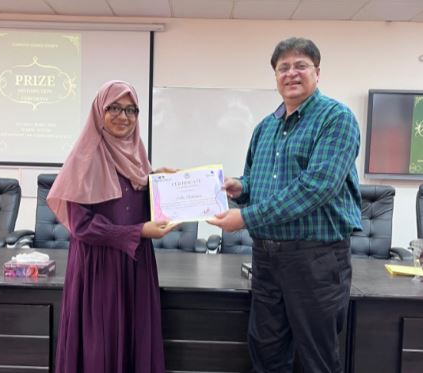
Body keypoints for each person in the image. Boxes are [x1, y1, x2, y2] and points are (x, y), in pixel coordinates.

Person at [209, 37, 362, 373]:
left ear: (317, 73)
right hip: (266, 258)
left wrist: (245, 217)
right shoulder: (266, 127)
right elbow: (256, 182)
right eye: (283, 67)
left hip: (315, 259)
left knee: (315, 357)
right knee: (266, 350)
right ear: (275, 76)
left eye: (301, 65)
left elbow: (316, 188)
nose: (291, 73)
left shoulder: (336, 119)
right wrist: (241, 189)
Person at [48, 80, 177, 373]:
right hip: (99, 269)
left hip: (136, 265)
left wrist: (163, 182)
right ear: (99, 112)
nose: (124, 117)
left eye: (131, 110)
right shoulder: (83, 160)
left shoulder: (139, 156)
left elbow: (139, 202)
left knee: (134, 338)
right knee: (100, 346)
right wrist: (138, 232)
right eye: (114, 108)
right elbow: (82, 227)